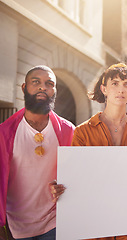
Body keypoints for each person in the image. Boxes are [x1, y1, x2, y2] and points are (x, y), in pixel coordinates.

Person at [51, 63, 127, 240]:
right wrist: (61, 187)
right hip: (95, 222)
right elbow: (76, 177)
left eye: (126, 84)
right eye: (115, 83)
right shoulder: (83, 132)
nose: (121, 89)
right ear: (104, 89)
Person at [0, 65, 75, 240]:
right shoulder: (4, 133)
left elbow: (78, 176)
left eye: (49, 83)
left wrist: (66, 185)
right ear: (24, 88)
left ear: (54, 91)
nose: (43, 87)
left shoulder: (68, 130)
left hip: (55, 224)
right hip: (16, 227)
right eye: (36, 82)